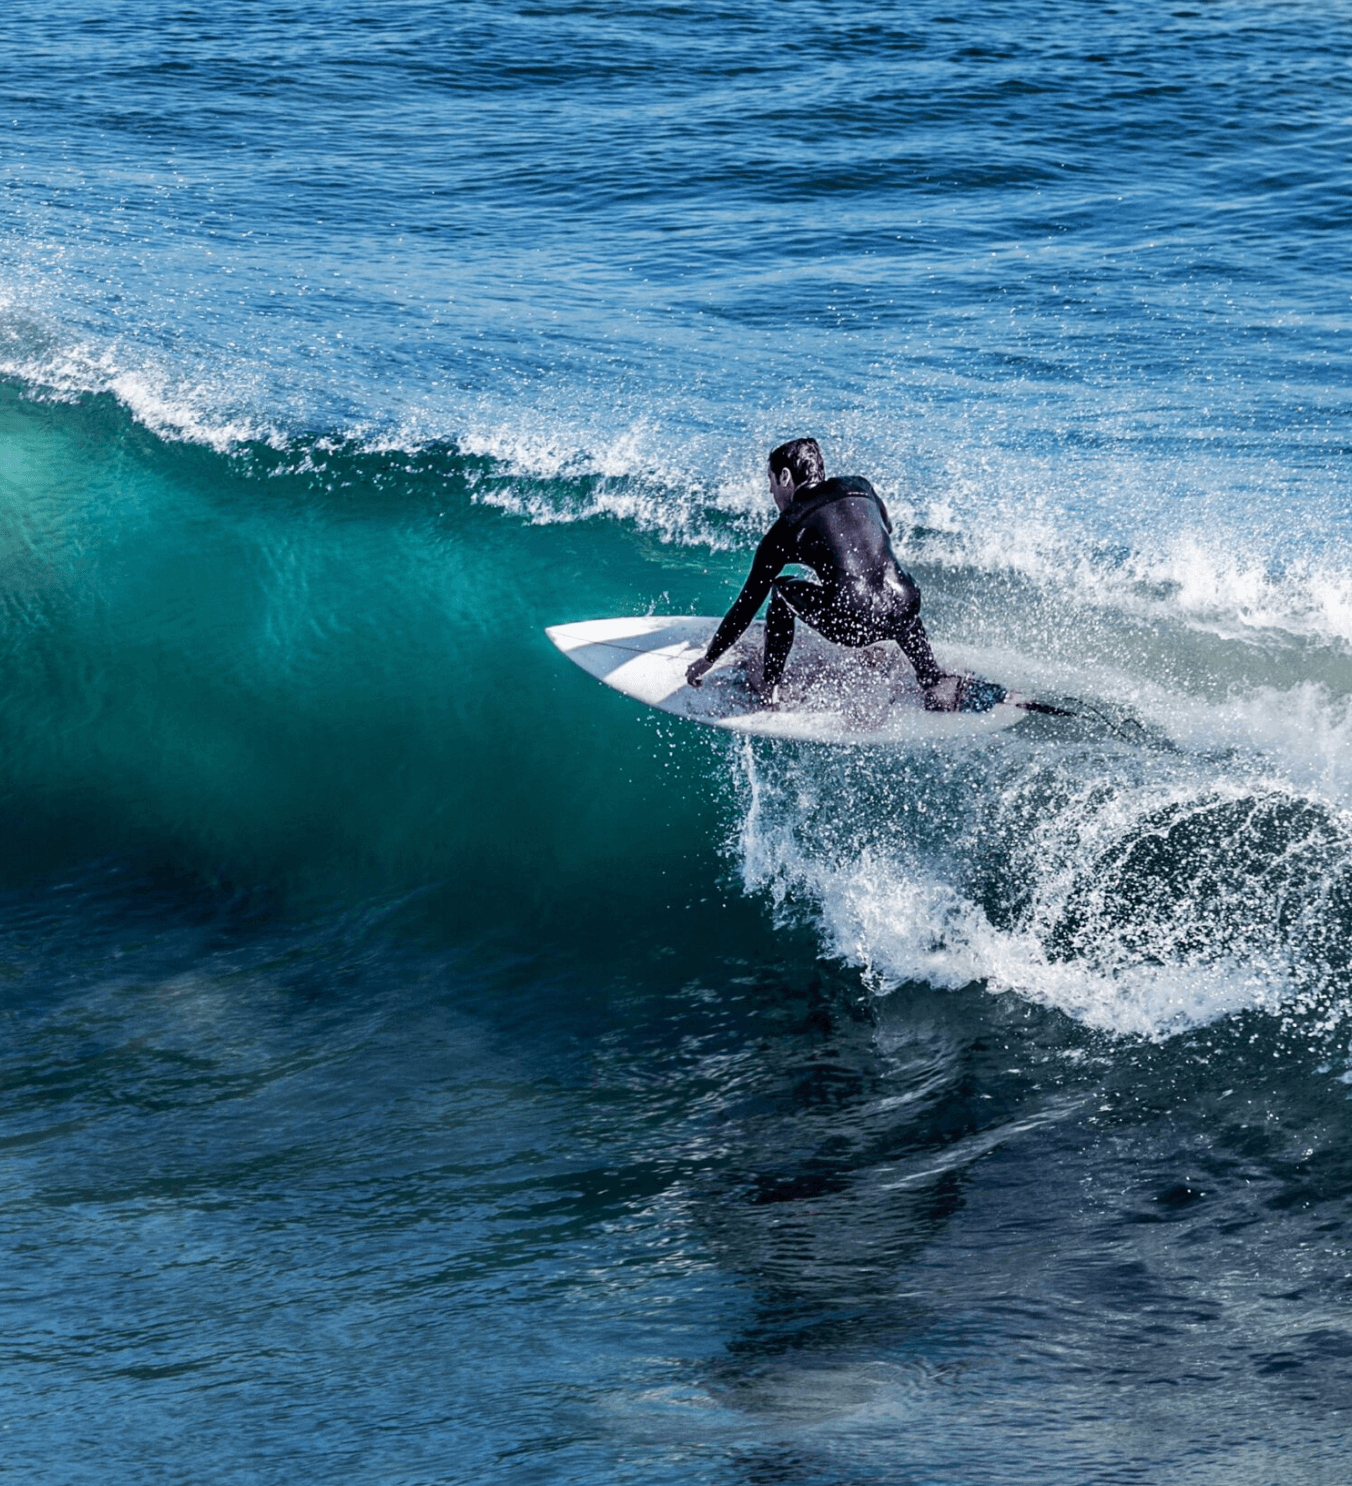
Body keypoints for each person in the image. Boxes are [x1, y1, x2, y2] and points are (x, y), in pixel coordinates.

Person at [685, 437, 961, 709]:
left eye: (770, 482)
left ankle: (770, 685)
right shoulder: (859, 486)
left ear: (785, 476)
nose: (771, 492)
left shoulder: (788, 525)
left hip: (853, 625)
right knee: (889, 586)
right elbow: (885, 527)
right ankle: (932, 679)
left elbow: (746, 606)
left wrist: (709, 659)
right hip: (907, 607)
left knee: (781, 591)